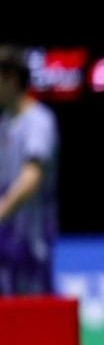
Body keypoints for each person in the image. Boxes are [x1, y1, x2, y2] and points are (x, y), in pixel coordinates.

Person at [0, 44, 59, 296]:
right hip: (5, 244)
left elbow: (31, 178)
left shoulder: (38, 121)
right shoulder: (5, 123)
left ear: (11, 78)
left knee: (34, 314)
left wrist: (1, 211)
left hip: (31, 245)